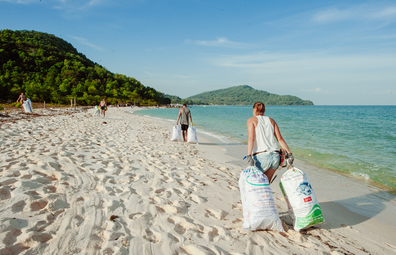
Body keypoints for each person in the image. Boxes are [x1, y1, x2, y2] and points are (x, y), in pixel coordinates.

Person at [245, 102, 294, 183]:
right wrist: (289, 153)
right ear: (264, 110)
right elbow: (280, 139)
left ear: (254, 109)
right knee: (266, 184)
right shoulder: (271, 120)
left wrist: (248, 155)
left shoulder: (251, 120)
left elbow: (251, 139)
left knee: (256, 184)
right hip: (275, 157)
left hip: (261, 157)